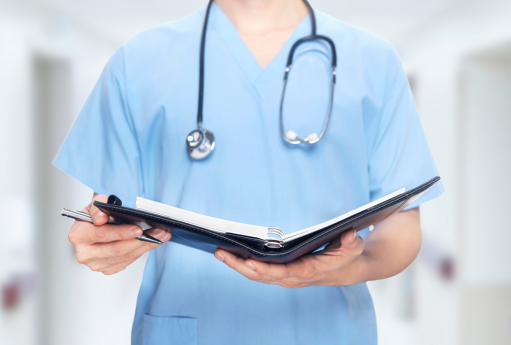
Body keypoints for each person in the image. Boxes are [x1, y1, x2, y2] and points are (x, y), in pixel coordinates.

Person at [54, 0, 443, 344]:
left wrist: (352, 266)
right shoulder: (138, 61)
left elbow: (403, 230)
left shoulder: (374, 61)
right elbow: (109, 209)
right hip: (189, 327)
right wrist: (102, 242)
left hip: (329, 329)